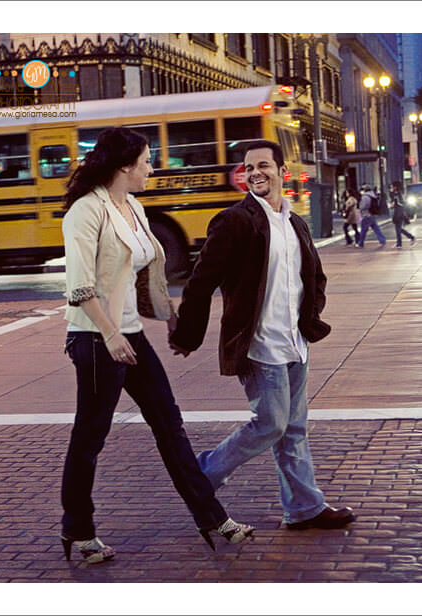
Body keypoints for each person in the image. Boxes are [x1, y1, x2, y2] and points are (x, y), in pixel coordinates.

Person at [59, 127, 252, 564]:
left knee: (170, 425)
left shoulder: (135, 208)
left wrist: (170, 320)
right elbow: (79, 287)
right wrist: (109, 335)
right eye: (147, 160)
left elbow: (148, 273)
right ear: (124, 165)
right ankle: (79, 530)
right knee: (90, 436)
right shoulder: (85, 213)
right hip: (94, 338)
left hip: (130, 335)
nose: (152, 167)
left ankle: (212, 518)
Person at [168, 139, 355, 531]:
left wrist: (311, 315)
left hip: (295, 343)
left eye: (264, 165)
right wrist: (187, 334)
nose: (255, 172)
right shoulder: (235, 221)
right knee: (271, 424)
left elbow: (314, 277)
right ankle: (203, 475)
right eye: (249, 167)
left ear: (282, 172)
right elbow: (202, 281)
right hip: (259, 345)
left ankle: (304, 508)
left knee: (294, 428)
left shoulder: (294, 222)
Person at [389, 181, 415, 248]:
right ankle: (400, 242)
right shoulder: (394, 194)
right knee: (398, 229)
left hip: (399, 212)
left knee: (398, 229)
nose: (391, 187)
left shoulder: (399, 194)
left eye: (392, 186)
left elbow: (402, 203)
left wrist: (394, 204)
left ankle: (408, 238)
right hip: (397, 212)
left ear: (395, 187)